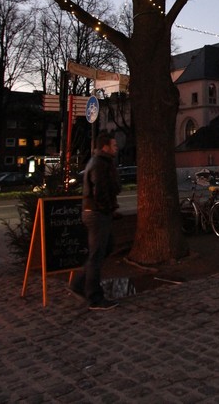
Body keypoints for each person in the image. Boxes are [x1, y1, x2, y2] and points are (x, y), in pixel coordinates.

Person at [82, 132, 122, 311]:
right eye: (114, 145)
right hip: (98, 214)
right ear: (105, 147)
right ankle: (94, 298)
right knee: (97, 255)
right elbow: (100, 191)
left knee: (106, 248)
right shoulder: (99, 164)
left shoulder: (102, 162)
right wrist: (108, 209)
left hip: (98, 212)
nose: (116, 148)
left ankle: (79, 283)